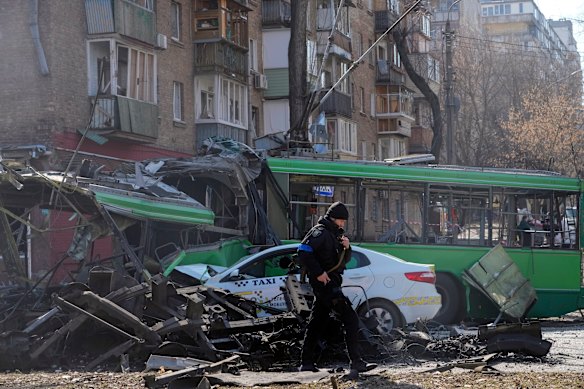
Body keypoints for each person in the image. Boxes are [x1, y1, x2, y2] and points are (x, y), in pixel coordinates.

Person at [297, 201, 377, 375]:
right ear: (333, 218)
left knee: (317, 322)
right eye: (341, 220)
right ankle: (356, 362)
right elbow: (303, 251)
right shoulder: (320, 232)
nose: (343, 224)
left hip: (331, 282)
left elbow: (342, 260)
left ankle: (306, 362)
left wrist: (347, 248)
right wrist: (318, 273)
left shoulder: (334, 234)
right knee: (351, 319)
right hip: (325, 284)